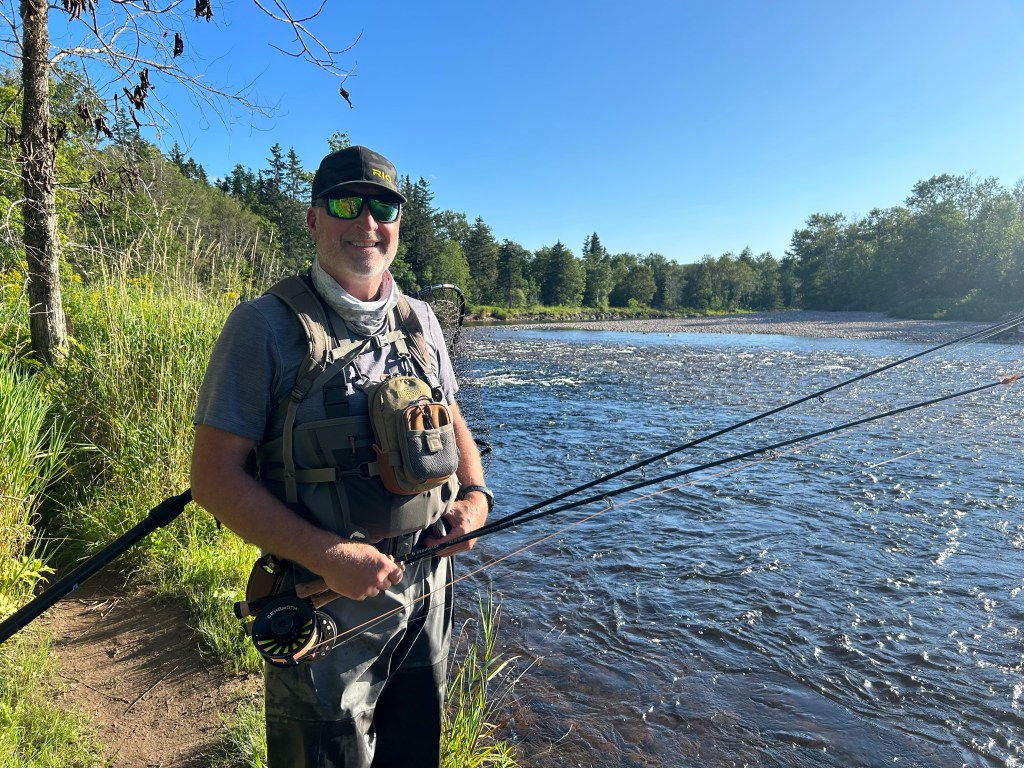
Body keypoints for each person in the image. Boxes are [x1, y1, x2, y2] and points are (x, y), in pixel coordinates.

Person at [190, 145, 491, 767]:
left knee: (416, 751)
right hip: (322, 597)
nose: (367, 222)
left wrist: (475, 496)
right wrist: (327, 556)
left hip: (429, 585)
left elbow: (451, 415)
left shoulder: (421, 320)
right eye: (347, 205)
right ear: (313, 220)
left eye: (383, 207)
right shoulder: (262, 327)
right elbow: (213, 478)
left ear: (399, 222)